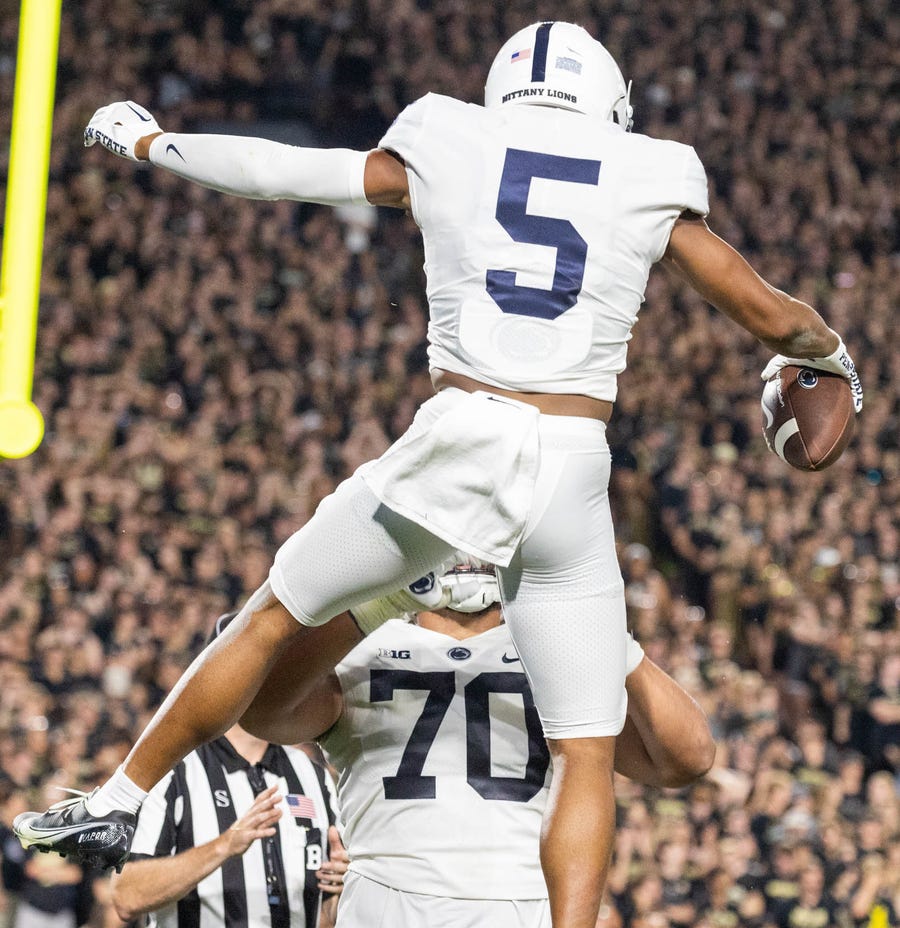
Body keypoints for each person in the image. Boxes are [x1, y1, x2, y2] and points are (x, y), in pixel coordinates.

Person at [15, 21, 862, 928]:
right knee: (586, 749)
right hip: (576, 462)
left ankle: (120, 796)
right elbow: (762, 308)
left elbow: (289, 172)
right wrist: (830, 354)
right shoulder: (650, 172)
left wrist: (154, 144)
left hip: (467, 429)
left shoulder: (450, 137)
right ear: (606, 106)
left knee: (271, 613)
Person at [239, 560, 715, 927]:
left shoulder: (553, 651)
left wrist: (608, 633)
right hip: (390, 899)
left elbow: (688, 757)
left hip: (525, 902)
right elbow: (262, 711)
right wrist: (376, 605)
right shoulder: (367, 644)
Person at [108, 613, 347, 928]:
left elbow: (324, 914)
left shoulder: (311, 775)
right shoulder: (173, 770)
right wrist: (225, 845)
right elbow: (127, 896)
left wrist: (339, 887)